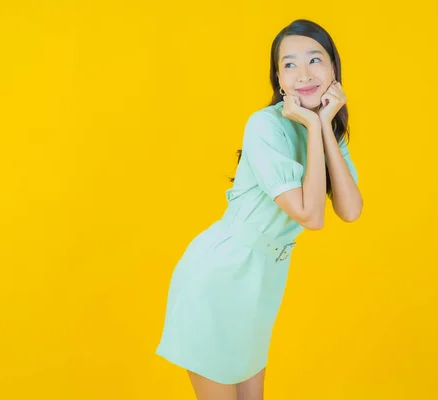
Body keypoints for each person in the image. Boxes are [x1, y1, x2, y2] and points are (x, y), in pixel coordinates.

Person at [155, 18, 364, 400]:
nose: (303, 73)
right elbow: (311, 215)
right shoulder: (264, 126)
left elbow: (350, 210)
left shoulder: (323, 128)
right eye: (289, 64)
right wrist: (315, 127)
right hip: (219, 277)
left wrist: (323, 126)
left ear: (334, 68)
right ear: (279, 81)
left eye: (315, 60)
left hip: (261, 281)